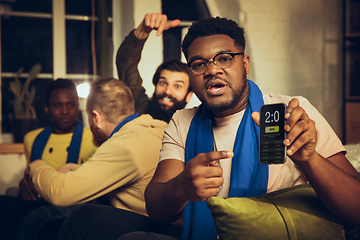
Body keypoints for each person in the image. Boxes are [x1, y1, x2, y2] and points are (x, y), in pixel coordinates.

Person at [54, 17, 360, 240]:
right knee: (89, 221)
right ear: (193, 74)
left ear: (246, 64)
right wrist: (182, 186)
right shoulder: (182, 121)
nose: (212, 68)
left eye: (224, 58)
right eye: (199, 63)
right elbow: (157, 206)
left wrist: (309, 158)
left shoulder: (289, 110)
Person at [28, 77, 180, 240]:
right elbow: (123, 170)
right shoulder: (153, 128)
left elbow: (60, 193)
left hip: (160, 230)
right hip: (173, 225)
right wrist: (73, 167)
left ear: (96, 117)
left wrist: (36, 165)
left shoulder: (124, 145)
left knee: (81, 217)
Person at [0, 78, 97, 240]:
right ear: (47, 108)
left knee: (24, 213)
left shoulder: (94, 136)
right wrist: (24, 184)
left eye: (70, 104)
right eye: (58, 105)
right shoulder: (32, 138)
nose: (65, 111)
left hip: (74, 201)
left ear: (77, 106)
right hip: (40, 197)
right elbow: (31, 173)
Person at [116, 13, 193, 123]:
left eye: (177, 86)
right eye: (163, 83)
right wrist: (144, 29)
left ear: (188, 96)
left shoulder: (192, 129)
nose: (167, 91)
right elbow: (126, 64)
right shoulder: (141, 109)